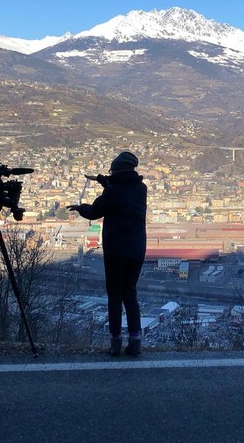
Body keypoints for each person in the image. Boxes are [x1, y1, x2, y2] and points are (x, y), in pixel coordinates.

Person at [68, 151, 147, 357]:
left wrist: (80, 207)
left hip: (116, 250)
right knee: (130, 293)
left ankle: (115, 342)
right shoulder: (141, 189)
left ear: (115, 170)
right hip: (137, 249)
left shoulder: (112, 192)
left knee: (114, 295)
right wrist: (104, 180)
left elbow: (94, 211)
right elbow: (122, 187)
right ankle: (135, 341)